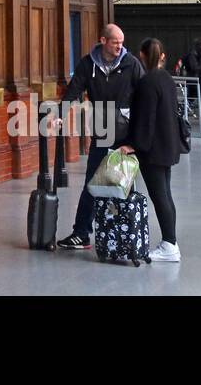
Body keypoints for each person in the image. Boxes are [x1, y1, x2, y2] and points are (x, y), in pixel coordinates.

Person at [55, 23, 146, 251]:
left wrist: (136, 139)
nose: (119, 46)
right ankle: (81, 233)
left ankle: (127, 235)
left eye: (122, 42)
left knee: (124, 183)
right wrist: (60, 114)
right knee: (92, 182)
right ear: (103, 41)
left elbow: (145, 94)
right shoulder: (88, 64)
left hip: (126, 133)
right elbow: (73, 90)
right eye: (115, 42)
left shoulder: (131, 64)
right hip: (102, 131)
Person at [119, 37, 182, 262]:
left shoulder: (146, 83)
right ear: (162, 56)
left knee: (159, 196)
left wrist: (134, 145)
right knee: (166, 194)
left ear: (142, 56)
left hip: (153, 150)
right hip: (168, 145)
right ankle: (171, 241)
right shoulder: (166, 79)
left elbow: (145, 120)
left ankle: (169, 245)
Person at [181, 37, 201, 120]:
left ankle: (179, 112)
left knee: (190, 100)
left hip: (196, 80)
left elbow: (200, 67)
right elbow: (194, 67)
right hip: (193, 80)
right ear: (199, 46)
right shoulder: (192, 54)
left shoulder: (199, 55)